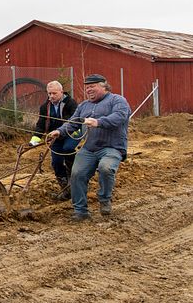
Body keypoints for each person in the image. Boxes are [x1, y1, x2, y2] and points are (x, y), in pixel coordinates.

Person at [47, 74, 130, 221]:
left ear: (104, 86)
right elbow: (73, 123)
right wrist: (59, 131)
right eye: (87, 88)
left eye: (92, 86)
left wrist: (98, 122)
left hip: (112, 147)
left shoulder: (118, 100)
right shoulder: (84, 106)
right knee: (77, 174)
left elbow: (120, 117)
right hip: (90, 149)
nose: (89, 90)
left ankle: (104, 199)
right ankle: (81, 212)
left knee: (106, 168)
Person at [29, 81, 78, 200]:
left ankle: (74, 176)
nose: (51, 96)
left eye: (54, 93)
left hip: (72, 134)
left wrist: (63, 131)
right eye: (49, 93)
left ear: (61, 92)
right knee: (56, 162)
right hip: (55, 137)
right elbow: (41, 124)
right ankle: (65, 188)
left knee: (67, 149)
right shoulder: (45, 107)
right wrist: (34, 140)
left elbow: (74, 121)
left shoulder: (71, 104)